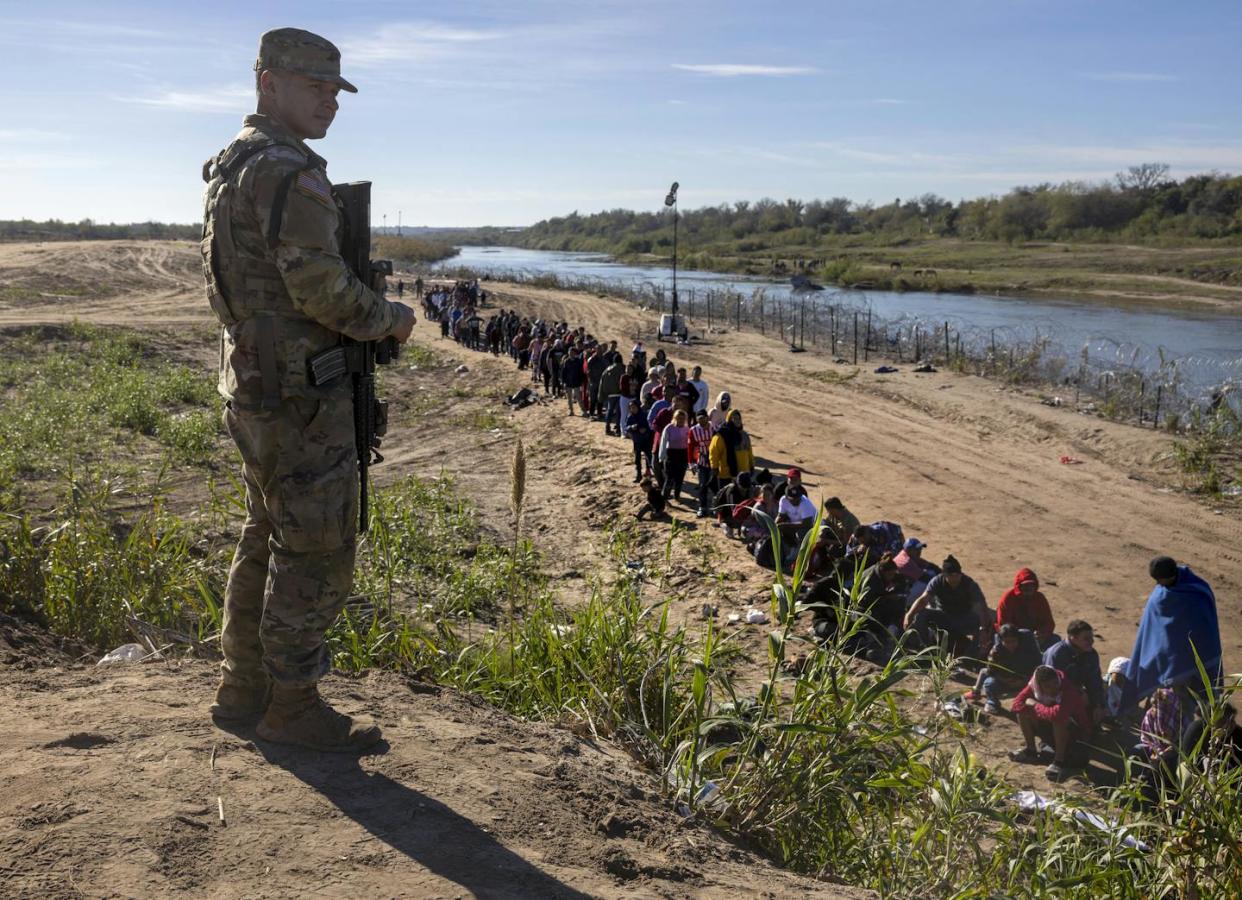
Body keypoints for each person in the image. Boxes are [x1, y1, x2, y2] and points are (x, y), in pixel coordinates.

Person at [202, 28, 415, 752]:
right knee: (315, 545)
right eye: (314, 85)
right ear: (269, 83)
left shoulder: (234, 165)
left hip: (256, 379)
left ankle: (243, 687)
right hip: (298, 391)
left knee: (266, 527)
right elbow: (322, 290)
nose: (330, 100)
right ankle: (291, 705)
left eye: (335, 89)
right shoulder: (290, 173)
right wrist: (392, 319)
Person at [1121, 555, 1222, 714]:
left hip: (1193, 659)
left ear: (1169, 576)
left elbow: (1204, 626)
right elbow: (1153, 631)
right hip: (1171, 662)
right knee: (1172, 704)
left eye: (1159, 580)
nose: (1157, 584)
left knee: (1194, 705)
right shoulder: (1162, 594)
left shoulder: (1195, 592)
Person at [1009, 665, 1091, 782]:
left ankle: (1059, 761)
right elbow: (1016, 705)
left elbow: (1057, 715)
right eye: (1047, 686)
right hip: (1051, 729)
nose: (1053, 689)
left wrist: (1036, 705)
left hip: (1076, 735)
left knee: (1059, 719)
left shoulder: (1068, 690)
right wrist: (1040, 709)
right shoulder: (1033, 685)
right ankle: (1031, 750)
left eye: (1055, 684)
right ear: (1040, 687)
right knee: (1023, 712)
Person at [903, 554, 989, 658]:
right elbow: (923, 599)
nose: (955, 578)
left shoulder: (969, 584)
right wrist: (909, 614)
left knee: (982, 622)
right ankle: (927, 650)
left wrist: (983, 629)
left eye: (957, 575)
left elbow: (981, 607)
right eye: (951, 576)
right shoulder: (937, 581)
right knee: (920, 615)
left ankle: (971, 656)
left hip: (963, 617)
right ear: (944, 575)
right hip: (942, 616)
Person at [969, 624, 1042, 715]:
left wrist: (1028, 680)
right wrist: (1007, 681)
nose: (1010, 645)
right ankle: (992, 702)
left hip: (1026, 683)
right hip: (1004, 682)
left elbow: (1038, 666)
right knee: (989, 683)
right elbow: (988, 671)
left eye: (1013, 641)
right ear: (1001, 640)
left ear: (1018, 639)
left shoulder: (1028, 650)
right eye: (1007, 642)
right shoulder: (996, 652)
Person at [1042, 620, 1106, 722]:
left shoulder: (1091, 654)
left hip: (1078, 694)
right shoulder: (1057, 654)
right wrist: (1077, 693)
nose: (1091, 641)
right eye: (1086, 638)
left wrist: (1098, 705)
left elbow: (1095, 682)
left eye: (1091, 637)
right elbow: (1051, 685)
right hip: (1053, 695)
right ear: (1073, 637)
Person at [996, 568, 1057, 650]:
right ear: (1019, 586)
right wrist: (1018, 637)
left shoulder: (1039, 598)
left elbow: (1048, 622)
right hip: (1012, 636)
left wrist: (1042, 633)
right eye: (1025, 585)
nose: (1028, 588)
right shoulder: (1008, 598)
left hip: (1036, 637)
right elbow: (1003, 624)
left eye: (1031, 585)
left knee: (1055, 639)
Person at [708, 409, 754, 484]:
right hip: (726, 475)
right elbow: (713, 453)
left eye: (739, 418)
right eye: (734, 418)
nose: (737, 420)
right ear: (729, 420)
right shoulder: (721, 436)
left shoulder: (744, 435)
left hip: (744, 474)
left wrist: (752, 466)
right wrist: (714, 467)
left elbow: (749, 452)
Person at [658, 408, 691, 500]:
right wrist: (661, 457)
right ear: (675, 418)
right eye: (679, 418)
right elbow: (663, 443)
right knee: (669, 478)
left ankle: (677, 496)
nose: (681, 420)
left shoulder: (687, 429)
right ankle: (664, 497)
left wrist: (691, 459)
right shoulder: (669, 428)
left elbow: (690, 444)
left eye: (683, 419)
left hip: (683, 455)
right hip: (671, 455)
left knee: (680, 478)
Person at [688, 409, 716, 517]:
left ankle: (715, 507)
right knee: (703, 485)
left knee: (715, 486)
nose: (701, 421)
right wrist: (691, 462)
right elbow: (691, 447)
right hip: (702, 461)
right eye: (699, 419)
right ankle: (702, 507)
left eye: (703, 418)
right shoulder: (693, 430)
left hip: (715, 462)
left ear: (707, 418)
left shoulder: (714, 428)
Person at [624, 400, 654, 483]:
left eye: (634, 407)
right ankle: (639, 475)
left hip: (646, 440)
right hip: (637, 440)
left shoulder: (644, 415)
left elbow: (650, 426)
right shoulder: (630, 417)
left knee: (649, 457)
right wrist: (632, 427)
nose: (632, 409)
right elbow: (626, 427)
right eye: (631, 408)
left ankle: (650, 472)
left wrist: (645, 430)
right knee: (637, 459)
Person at [599, 352, 625, 436]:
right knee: (619, 412)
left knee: (609, 411)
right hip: (621, 394)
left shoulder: (607, 370)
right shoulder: (623, 368)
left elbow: (602, 382)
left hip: (610, 394)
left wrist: (601, 395)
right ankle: (618, 429)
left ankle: (607, 427)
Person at [560, 345, 584, 415]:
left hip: (576, 382)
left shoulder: (579, 361)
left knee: (579, 397)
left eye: (572, 352)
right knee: (569, 398)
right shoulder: (566, 361)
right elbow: (563, 373)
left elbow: (581, 373)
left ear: (575, 353)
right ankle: (571, 411)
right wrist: (563, 382)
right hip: (568, 382)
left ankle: (583, 410)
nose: (571, 354)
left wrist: (581, 382)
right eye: (570, 352)